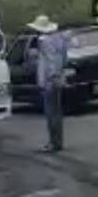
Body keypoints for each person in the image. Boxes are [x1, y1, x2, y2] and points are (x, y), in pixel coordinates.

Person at [30, 14, 68, 152]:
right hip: (58, 78)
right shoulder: (60, 39)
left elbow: (49, 61)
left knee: (51, 112)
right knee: (57, 112)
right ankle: (58, 141)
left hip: (50, 81)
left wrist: (51, 77)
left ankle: (54, 142)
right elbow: (63, 59)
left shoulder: (44, 41)